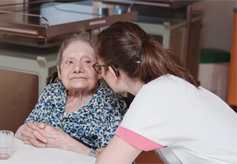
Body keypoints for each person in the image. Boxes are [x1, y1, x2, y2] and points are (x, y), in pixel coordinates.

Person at [93, 21, 237, 164]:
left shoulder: (153, 98)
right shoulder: (169, 83)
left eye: (98, 67)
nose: (99, 75)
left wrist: (105, 154)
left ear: (113, 71)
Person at [15, 30, 128, 157]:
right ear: (59, 72)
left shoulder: (111, 104)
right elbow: (27, 132)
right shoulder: (51, 93)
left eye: (87, 61)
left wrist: (68, 144)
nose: (77, 69)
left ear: (100, 70)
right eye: (70, 62)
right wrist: (21, 132)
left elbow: (117, 159)